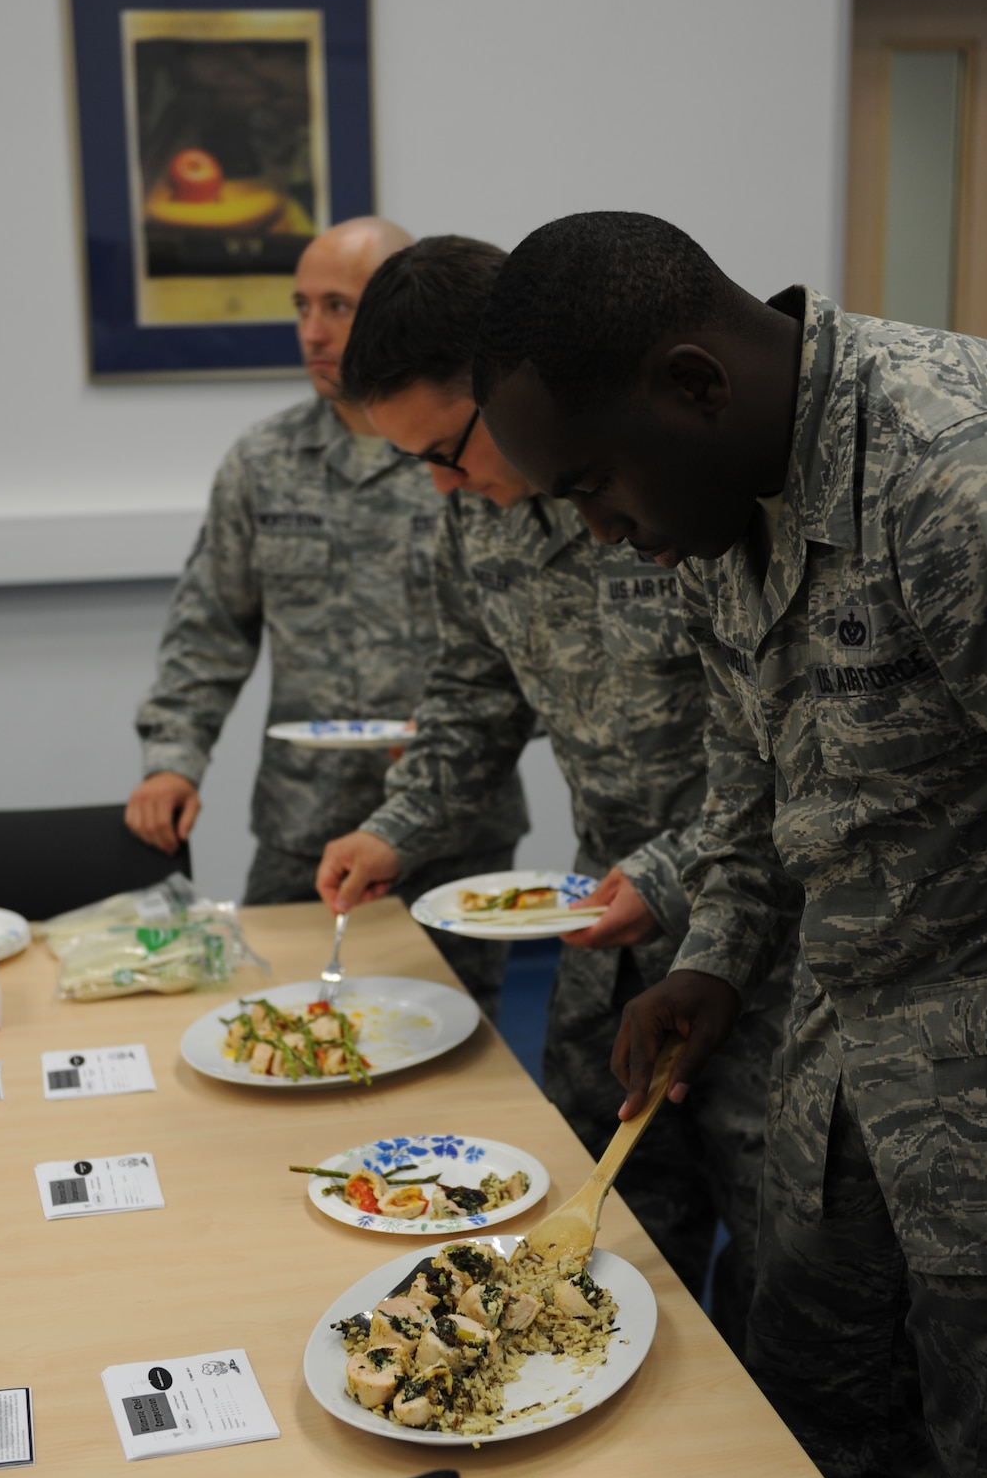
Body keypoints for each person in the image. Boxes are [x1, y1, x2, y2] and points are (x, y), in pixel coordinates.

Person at [471, 209, 987, 1478]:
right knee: (811, 1441)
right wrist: (713, 956)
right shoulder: (713, 503)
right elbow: (747, 793)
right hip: (839, 1065)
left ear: (687, 381)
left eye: (590, 487)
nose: (596, 531)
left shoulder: (976, 481)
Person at [315, 235, 794, 1355]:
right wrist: (395, 828)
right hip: (603, 941)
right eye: (412, 463)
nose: (439, 482)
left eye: (446, 448)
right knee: (604, 1251)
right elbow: (474, 698)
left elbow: (782, 744)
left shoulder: (676, 485)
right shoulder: (472, 513)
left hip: (761, 944)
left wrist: (674, 877)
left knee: (785, 1291)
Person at [125, 217, 526, 1010]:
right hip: (302, 814)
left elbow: (530, 654)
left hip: (453, 818)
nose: (312, 331)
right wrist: (174, 753)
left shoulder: (477, 456)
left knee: (450, 1041)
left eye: (337, 307)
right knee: (277, 1015)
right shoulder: (263, 461)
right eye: (301, 306)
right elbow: (210, 621)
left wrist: (455, 742)